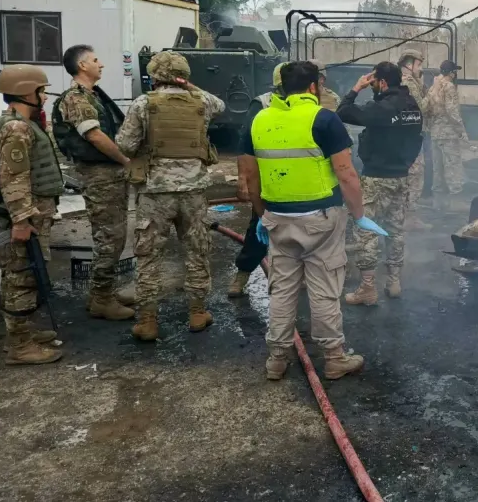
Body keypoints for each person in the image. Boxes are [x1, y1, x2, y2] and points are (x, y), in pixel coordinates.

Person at [238, 61, 366, 381]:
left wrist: (261, 212)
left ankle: (277, 360)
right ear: (314, 86)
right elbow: (347, 173)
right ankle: (334, 359)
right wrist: (359, 213)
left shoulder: (259, 120)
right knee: (323, 288)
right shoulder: (324, 118)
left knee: (282, 290)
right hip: (320, 218)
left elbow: (250, 176)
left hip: (278, 218)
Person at [116, 51, 224, 341]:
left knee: (149, 255)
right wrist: (189, 87)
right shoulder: (203, 102)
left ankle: (148, 321)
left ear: (154, 77)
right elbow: (221, 104)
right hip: (194, 192)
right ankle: (198, 312)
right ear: (185, 76)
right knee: (197, 250)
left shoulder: (143, 103)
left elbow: (125, 145)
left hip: (155, 193)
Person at [0, 65, 64, 364]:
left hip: (31, 212)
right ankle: (19, 346)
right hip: (21, 216)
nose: (45, 96)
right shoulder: (16, 129)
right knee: (20, 276)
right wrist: (20, 219)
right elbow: (13, 178)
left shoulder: (19, 124)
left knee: (27, 273)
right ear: (27, 92)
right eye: (42, 91)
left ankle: (23, 333)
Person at [52, 45, 134, 321]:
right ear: (82, 66)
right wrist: (125, 159)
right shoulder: (76, 98)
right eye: (95, 60)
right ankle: (101, 298)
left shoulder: (92, 96)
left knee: (115, 235)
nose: (101, 64)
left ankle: (105, 291)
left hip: (107, 174)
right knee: (109, 237)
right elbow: (95, 136)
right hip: (100, 175)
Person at [336, 61, 423, 304]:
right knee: (395, 230)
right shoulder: (412, 106)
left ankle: (368, 288)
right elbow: (418, 141)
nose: (371, 85)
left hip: (376, 177)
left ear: (382, 82)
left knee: (367, 229)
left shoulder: (381, 107)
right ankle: (394, 282)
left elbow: (343, 112)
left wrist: (356, 88)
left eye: (373, 82)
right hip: (401, 177)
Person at [228, 63, 285, 299]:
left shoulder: (309, 102)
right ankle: (241, 276)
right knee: (259, 229)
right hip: (268, 177)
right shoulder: (262, 103)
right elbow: (246, 143)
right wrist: (244, 178)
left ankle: (294, 280)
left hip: (299, 179)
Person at [425, 59, 468, 210]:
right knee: (453, 167)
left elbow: (427, 109)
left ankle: (438, 202)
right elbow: (452, 111)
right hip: (449, 134)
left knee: (438, 169)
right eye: (455, 71)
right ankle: (456, 203)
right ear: (452, 73)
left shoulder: (433, 87)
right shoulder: (449, 87)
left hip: (435, 134)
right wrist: (461, 131)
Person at [398, 51, 429, 220]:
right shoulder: (408, 83)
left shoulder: (412, 82)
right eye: (419, 65)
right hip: (411, 136)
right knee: (415, 175)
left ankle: (408, 214)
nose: (421, 68)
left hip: (410, 135)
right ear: (409, 65)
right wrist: (432, 94)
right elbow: (421, 108)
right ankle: (410, 218)